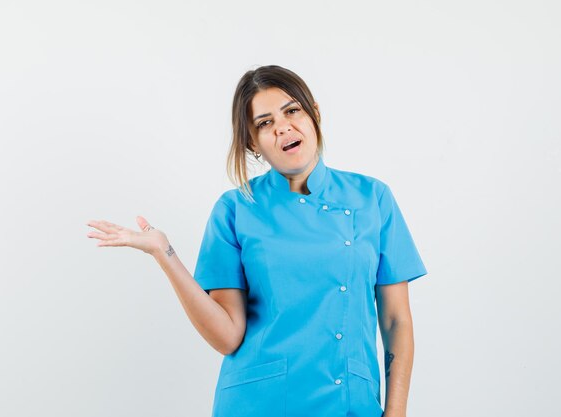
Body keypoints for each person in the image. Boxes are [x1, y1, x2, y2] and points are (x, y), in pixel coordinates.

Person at [86, 65, 428, 417]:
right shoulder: (235, 209)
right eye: (265, 123)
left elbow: (395, 320)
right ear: (253, 142)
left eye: (292, 110)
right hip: (259, 404)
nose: (282, 126)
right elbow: (227, 336)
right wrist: (165, 253)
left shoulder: (371, 198)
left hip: (349, 403)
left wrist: (396, 411)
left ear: (315, 115)